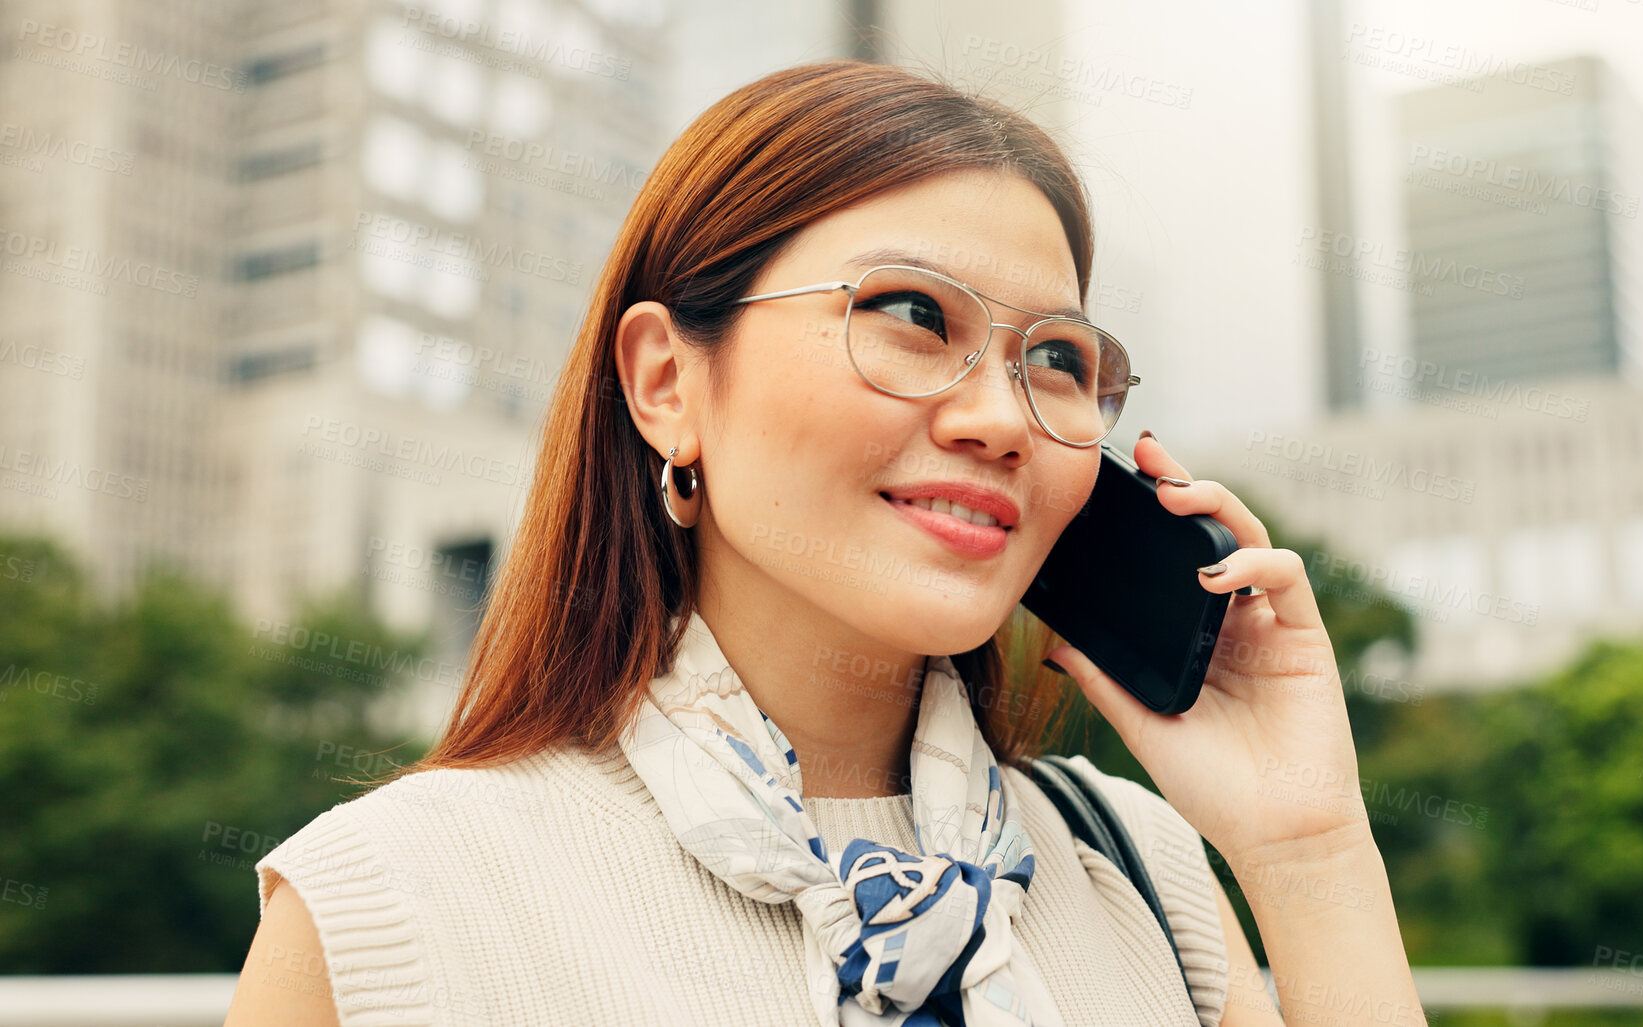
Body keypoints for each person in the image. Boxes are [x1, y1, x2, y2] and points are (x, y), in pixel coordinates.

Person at [223, 58, 1418, 1026]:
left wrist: (1308, 855)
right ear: (664, 383)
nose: (1002, 418)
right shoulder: (396, 902)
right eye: (910, 314)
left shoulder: (1144, 872)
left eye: (1055, 358)